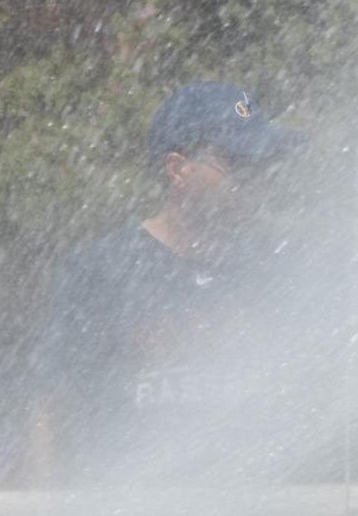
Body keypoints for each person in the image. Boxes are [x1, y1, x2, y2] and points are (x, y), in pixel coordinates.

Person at [27, 80, 327, 485]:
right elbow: (53, 407)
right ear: (177, 170)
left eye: (262, 165)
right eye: (237, 164)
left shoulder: (279, 267)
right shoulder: (100, 270)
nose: (256, 180)